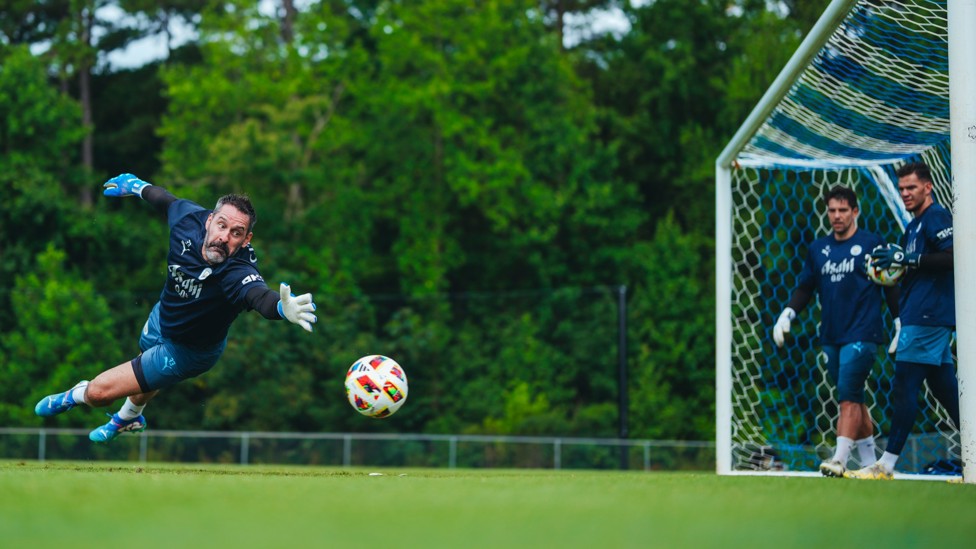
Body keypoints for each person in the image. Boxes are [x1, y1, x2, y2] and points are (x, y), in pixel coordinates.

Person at [34, 173, 318, 442]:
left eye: (236, 233)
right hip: (162, 317)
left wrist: (281, 309)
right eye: (221, 225)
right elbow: (163, 199)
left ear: (246, 240)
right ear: (208, 221)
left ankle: (75, 395)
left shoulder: (238, 270)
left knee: (99, 393)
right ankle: (129, 417)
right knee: (144, 372)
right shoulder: (187, 220)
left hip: (190, 352)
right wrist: (135, 185)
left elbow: (260, 296)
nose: (224, 237)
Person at [772, 185, 898, 478]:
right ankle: (871, 463)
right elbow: (805, 287)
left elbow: (889, 283)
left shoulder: (872, 244)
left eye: (843, 210)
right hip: (831, 335)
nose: (837, 216)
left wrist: (899, 321)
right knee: (854, 397)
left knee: (846, 397)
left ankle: (839, 460)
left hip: (863, 333)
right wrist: (787, 315)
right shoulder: (818, 249)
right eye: (832, 210)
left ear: (855, 212)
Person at [845, 161, 959, 480]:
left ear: (928, 187)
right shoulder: (912, 226)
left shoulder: (936, 217)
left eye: (911, 187)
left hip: (929, 316)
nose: (905, 193)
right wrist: (889, 273)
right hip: (919, 315)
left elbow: (953, 257)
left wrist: (908, 260)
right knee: (947, 392)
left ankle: (886, 465)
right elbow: (909, 266)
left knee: (904, 385)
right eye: (902, 188)